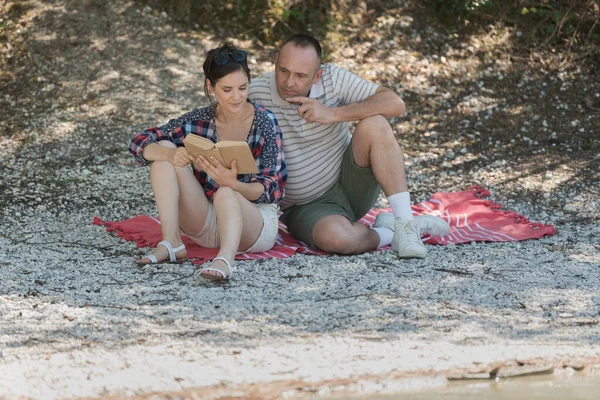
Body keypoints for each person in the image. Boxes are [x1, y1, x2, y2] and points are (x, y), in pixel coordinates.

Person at [248, 34, 449, 258]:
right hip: (306, 207)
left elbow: (395, 104)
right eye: (283, 71)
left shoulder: (333, 79)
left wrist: (333, 113)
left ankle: (405, 223)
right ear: (276, 62)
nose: (288, 82)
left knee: (376, 122)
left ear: (317, 75)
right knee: (338, 239)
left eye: (300, 75)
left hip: (351, 183)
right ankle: (393, 231)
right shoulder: (256, 92)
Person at [128, 43, 286, 280]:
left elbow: (274, 190)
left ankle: (224, 260)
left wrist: (233, 184)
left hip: (252, 225)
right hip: (208, 220)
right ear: (211, 87)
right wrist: (171, 155)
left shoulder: (265, 122)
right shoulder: (199, 120)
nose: (236, 97)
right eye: (227, 89)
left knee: (225, 193)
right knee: (164, 150)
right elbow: (139, 142)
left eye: (243, 88)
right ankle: (172, 243)